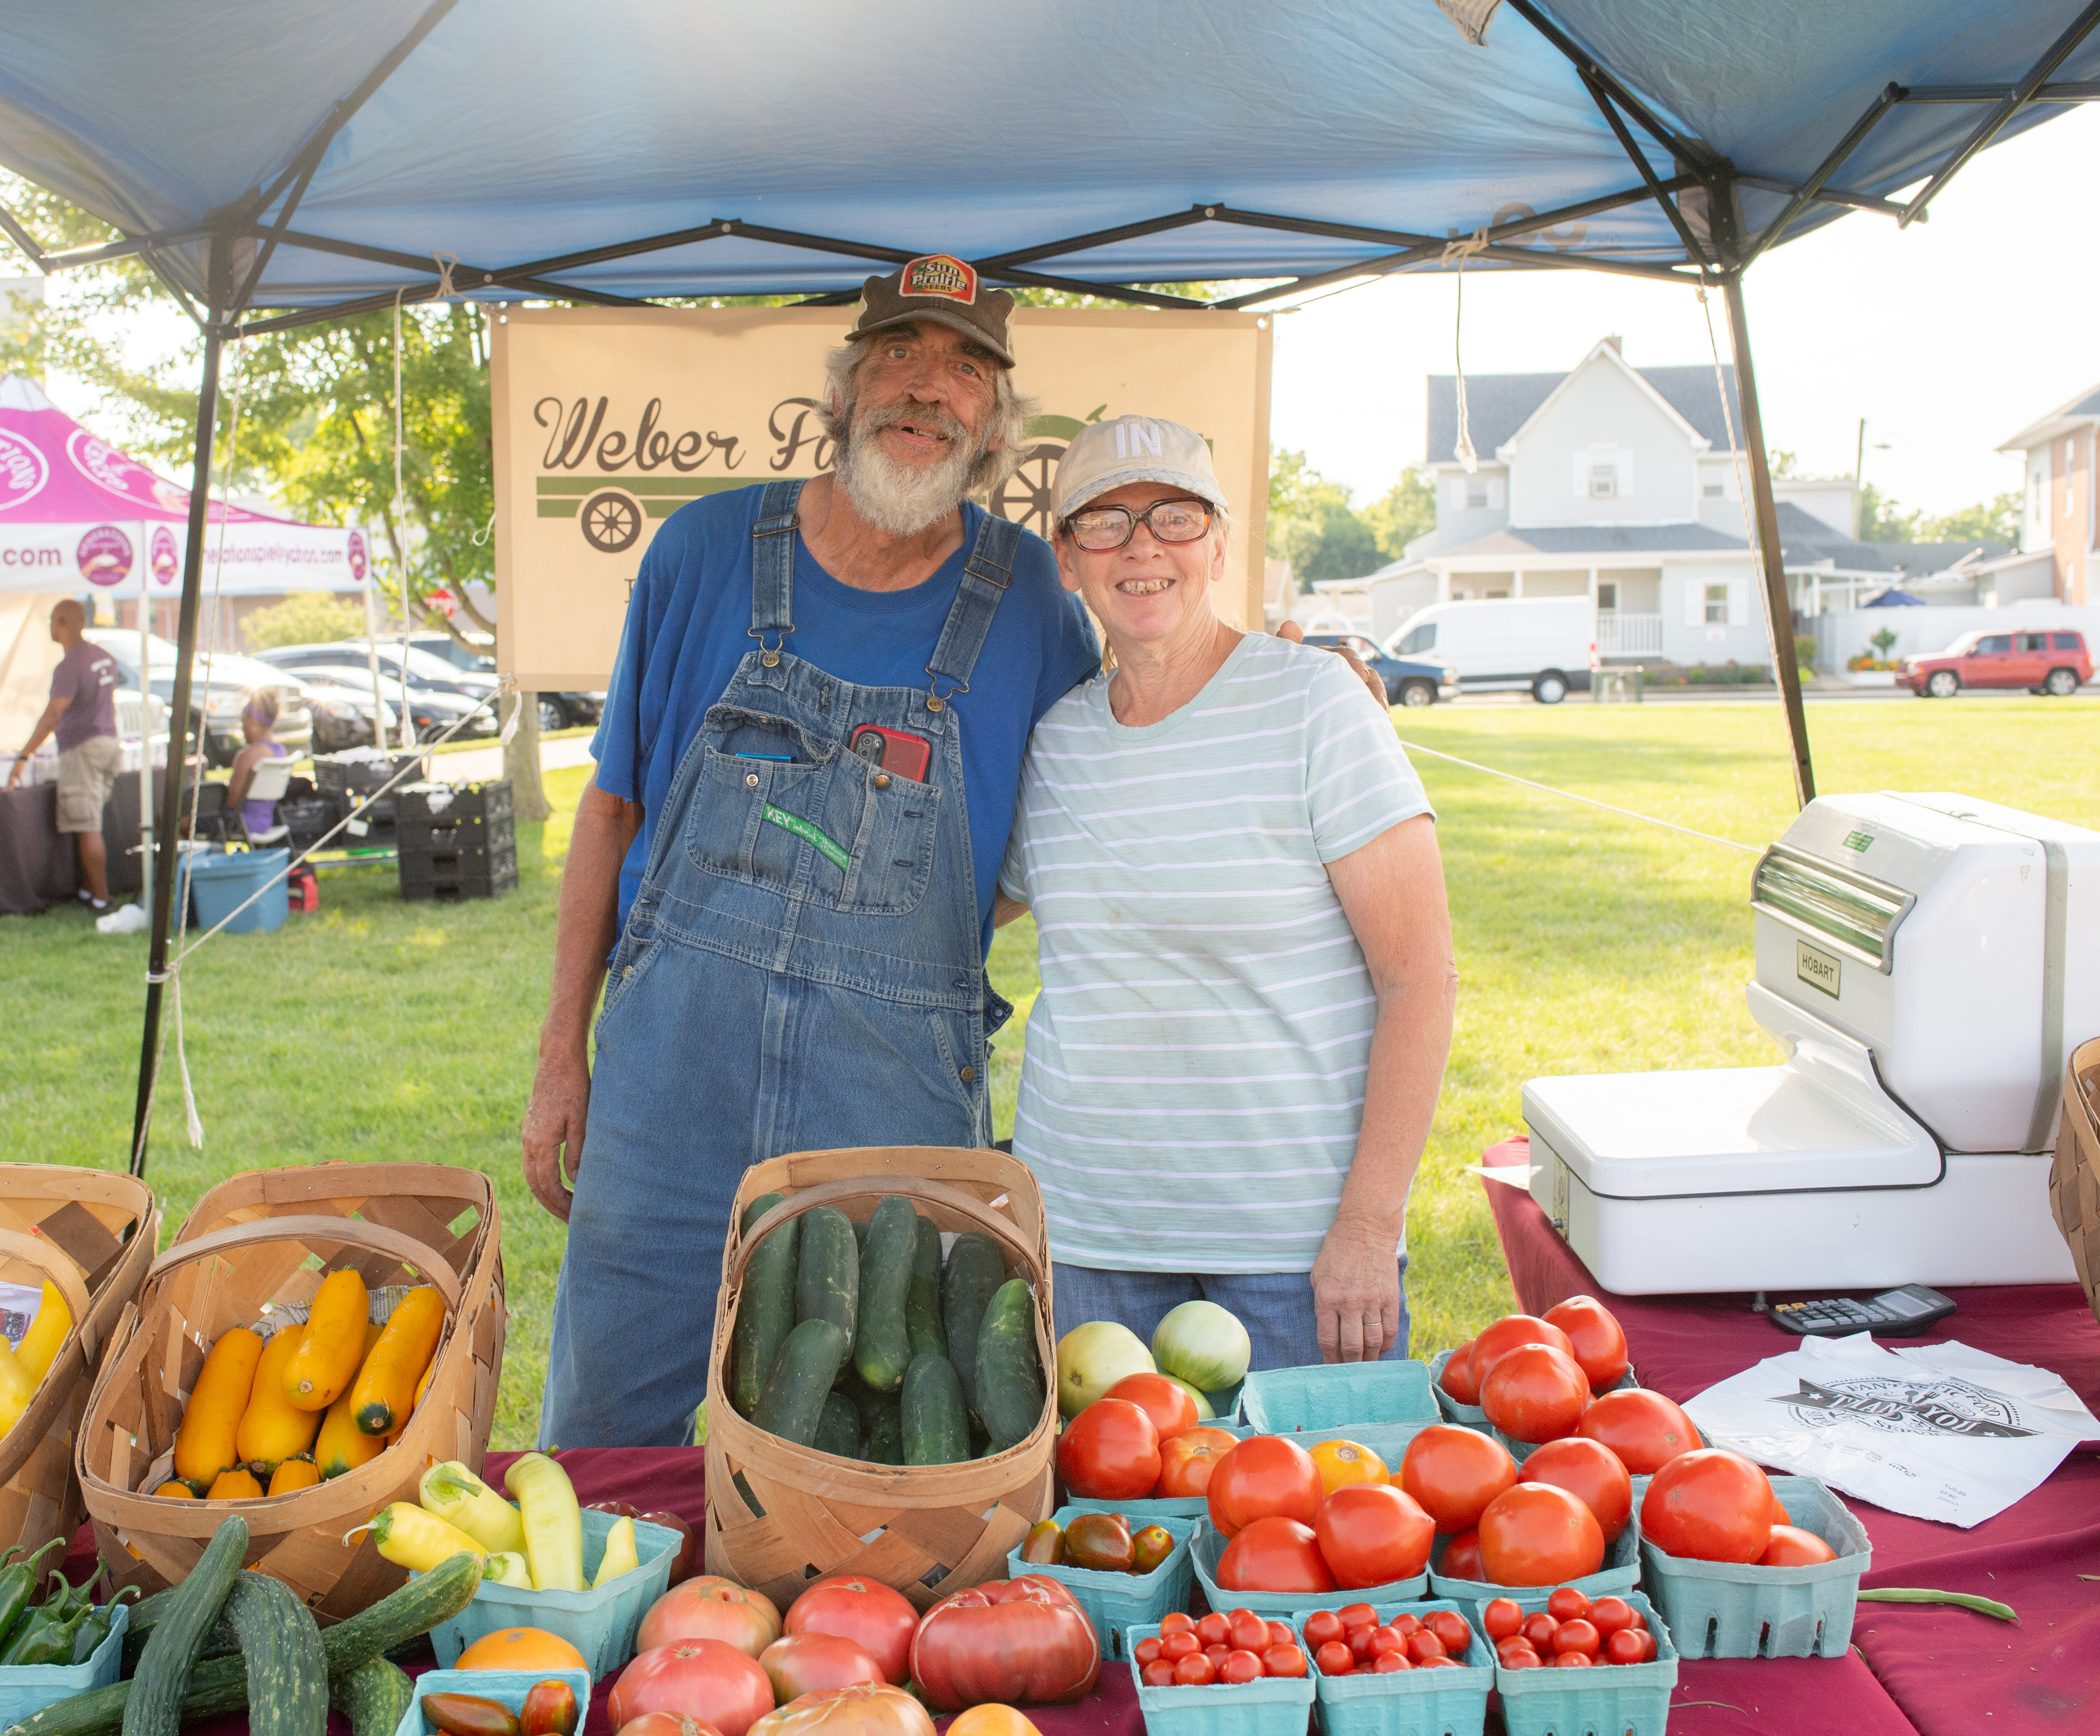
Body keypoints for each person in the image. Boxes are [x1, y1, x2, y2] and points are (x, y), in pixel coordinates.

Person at [523, 253, 1101, 1447]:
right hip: (670, 1071)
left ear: (995, 426)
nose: (926, 388)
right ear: (838, 396)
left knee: (874, 1436)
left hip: (887, 1086)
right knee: (603, 1440)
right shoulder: (701, 552)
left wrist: (907, 937)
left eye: (963, 369)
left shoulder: (1033, 599)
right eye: (897, 356)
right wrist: (559, 1057)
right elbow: (611, 809)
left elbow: (1079, 816)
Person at [994, 417, 1458, 1370]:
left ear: (1218, 542)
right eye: (1106, 523)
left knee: (1313, 1518)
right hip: (1087, 1239)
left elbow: (1421, 978)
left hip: (1292, 1253)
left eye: (1173, 516)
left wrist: (1369, 1225)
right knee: (1102, 1521)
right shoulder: (1057, 741)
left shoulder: (1316, 705)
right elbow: (963, 912)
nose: (1142, 547)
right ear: (1067, 559)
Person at [7, 600, 120, 915]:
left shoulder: (69, 666)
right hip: (108, 742)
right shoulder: (104, 657)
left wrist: (24, 754)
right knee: (92, 816)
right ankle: (88, 890)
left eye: (54, 621)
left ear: (64, 622)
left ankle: (101, 899)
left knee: (87, 824)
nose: (50, 627)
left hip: (82, 748)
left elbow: (54, 712)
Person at [213, 692, 290, 838]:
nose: (242, 729)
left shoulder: (249, 756)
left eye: (243, 722)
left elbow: (232, 803)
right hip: (266, 822)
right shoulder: (280, 751)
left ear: (253, 722)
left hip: (239, 823)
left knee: (182, 821)